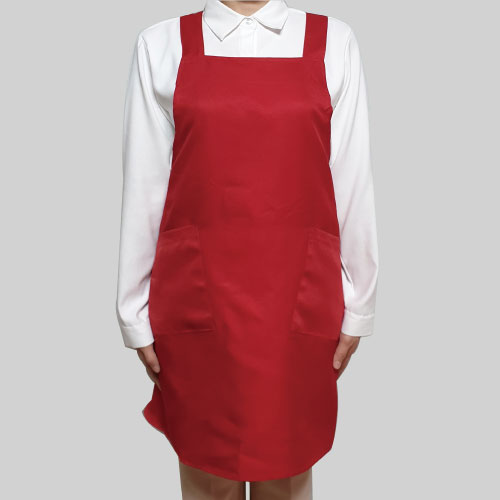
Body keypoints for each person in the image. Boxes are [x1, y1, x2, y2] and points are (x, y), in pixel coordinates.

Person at [116, 0, 378, 498]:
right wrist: (133, 310)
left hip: (297, 296)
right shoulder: (160, 44)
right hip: (198, 296)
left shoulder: (333, 42)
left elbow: (352, 178)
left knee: (287, 475)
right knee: (208, 476)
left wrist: (360, 303)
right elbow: (144, 184)